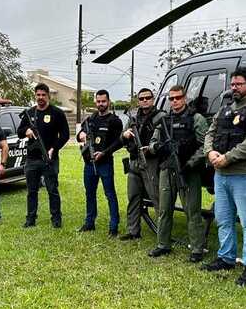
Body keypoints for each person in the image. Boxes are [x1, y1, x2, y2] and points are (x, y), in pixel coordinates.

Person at [203, 66, 246, 285]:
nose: (234, 87)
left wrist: (228, 157)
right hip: (221, 175)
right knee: (223, 219)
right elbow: (210, 133)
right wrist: (210, 152)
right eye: (232, 84)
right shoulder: (224, 109)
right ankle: (226, 257)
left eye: (238, 84)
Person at [146, 84, 208, 262]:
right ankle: (163, 244)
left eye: (178, 97)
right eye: (171, 98)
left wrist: (190, 164)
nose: (175, 101)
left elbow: (205, 145)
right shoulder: (164, 120)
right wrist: (158, 147)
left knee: (192, 211)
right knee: (164, 209)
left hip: (188, 171)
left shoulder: (196, 118)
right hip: (167, 169)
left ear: (185, 98)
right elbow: (152, 143)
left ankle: (197, 248)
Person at [17, 83, 70, 228]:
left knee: (52, 189)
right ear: (35, 96)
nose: (41, 98)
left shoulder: (57, 113)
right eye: (38, 95)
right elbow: (19, 131)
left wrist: (54, 148)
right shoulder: (29, 113)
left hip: (50, 159)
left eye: (43, 95)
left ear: (48, 96)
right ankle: (30, 218)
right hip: (32, 159)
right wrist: (26, 130)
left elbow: (65, 135)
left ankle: (56, 218)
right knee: (31, 191)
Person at [76, 89, 124, 236]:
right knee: (90, 194)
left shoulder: (115, 121)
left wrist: (103, 153)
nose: (101, 104)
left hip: (105, 163)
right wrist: (81, 134)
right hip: (89, 163)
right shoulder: (91, 119)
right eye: (98, 101)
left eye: (103, 101)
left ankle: (113, 226)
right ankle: (89, 223)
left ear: (108, 102)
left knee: (110, 194)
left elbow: (119, 142)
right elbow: (79, 136)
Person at [120, 88, 163, 241]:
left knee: (156, 197)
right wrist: (125, 135)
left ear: (153, 99)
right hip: (134, 161)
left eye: (148, 98)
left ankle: (163, 234)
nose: (145, 101)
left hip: (151, 162)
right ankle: (133, 230)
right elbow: (122, 137)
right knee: (133, 197)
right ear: (138, 101)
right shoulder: (133, 118)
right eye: (142, 98)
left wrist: (151, 149)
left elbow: (164, 140)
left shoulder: (161, 117)